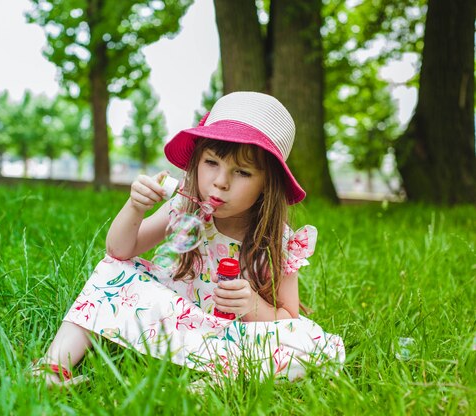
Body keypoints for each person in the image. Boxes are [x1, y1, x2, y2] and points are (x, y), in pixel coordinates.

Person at [34, 91, 345, 386]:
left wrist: (252, 304)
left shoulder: (277, 241)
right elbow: (119, 250)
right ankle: (51, 368)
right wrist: (135, 207)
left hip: (231, 339)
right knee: (113, 272)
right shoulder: (184, 207)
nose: (220, 182)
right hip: (173, 322)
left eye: (242, 173)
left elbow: (287, 319)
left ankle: (214, 383)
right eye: (212, 163)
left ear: (268, 184)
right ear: (196, 162)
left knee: (308, 343)